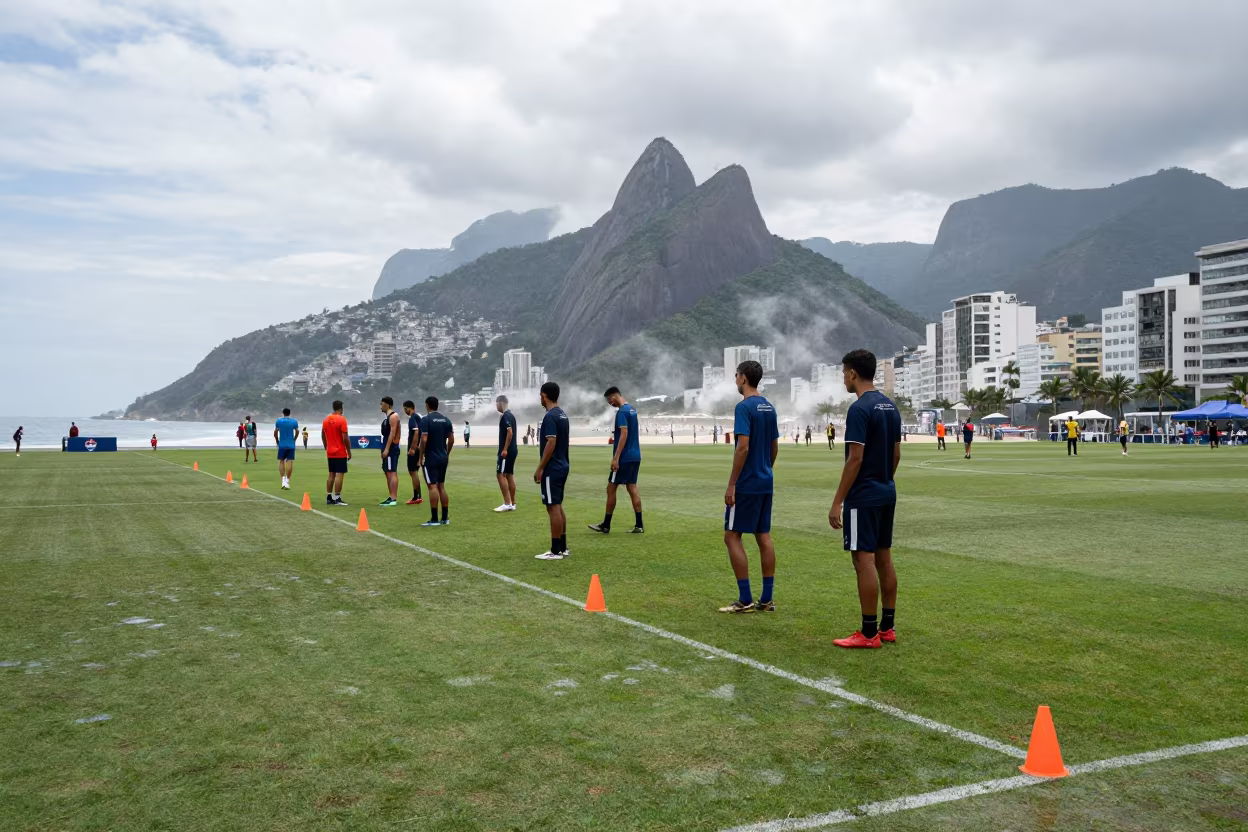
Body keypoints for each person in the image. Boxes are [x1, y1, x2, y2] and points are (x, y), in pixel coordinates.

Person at [828, 349, 901, 649]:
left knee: (863, 561)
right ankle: (887, 627)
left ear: (853, 374)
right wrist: (883, 479)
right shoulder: (890, 406)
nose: (843, 378)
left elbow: (854, 459)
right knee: (884, 558)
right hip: (886, 490)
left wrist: (838, 501)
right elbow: (896, 454)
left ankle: (868, 633)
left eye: (844, 373)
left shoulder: (859, 409)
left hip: (864, 495)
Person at [720, 360, 780, 613]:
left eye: (736, 376)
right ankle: (766, 599)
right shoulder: (769, 406)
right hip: (765, 480)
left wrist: (732, 484)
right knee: (763, 537)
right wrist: (766, 469)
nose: (735, 380)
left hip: (746, 483)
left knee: (731, 535)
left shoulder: (744, 407)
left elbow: (742, 446)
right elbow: (774, 446)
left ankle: (745, 599)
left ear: (743, 378)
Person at [589, 386, 644, 535]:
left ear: (613, 397)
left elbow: (624, 434)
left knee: (611, 488)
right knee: (632, 488)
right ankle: (639, 525)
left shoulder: (621, 412)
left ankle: (606, 525)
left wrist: (616, 458)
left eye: (609, 401)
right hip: (636, 456)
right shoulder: (632, 410)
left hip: (624, 458)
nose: (610, 404)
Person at [534, 382, 571, 560]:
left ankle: (555, 550)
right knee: (558, 505)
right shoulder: (562, 414)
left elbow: (551, 442)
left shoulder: (550, 417)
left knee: (553, 507)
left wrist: (540, 467)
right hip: (563, 464)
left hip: (553, 467)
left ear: (544, 396)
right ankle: (563, 547)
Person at [419, 397, 454, 526]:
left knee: (432, 486)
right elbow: (451, 440)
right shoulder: (446, 420)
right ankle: (445, 518)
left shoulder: (426, 420)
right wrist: (447, 453)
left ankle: (434, 519)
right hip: (443, 457)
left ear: (427, 405)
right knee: (441, 486)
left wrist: (421, 455)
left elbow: (424, 439)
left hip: (430, 458)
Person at [321, 400, 351, 505]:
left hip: (330, 451)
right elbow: (345, 437)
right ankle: (337, 497)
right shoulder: (342, 419)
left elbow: (323, 435)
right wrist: (349, 451)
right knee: (340, 474)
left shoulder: (326, 419)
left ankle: (329, 496)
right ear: (341, 409)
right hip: (340, 451)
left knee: (331, 474)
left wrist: (326, 447)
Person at [494, 395, 518, 512]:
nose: (496, 406)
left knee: (500, 474)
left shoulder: (506, 416)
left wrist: (504, 449)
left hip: (506, 451)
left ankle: (507, 503)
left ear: (501, 402)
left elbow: (510, 432)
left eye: (496, 403)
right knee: (509, 475)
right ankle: (513, 503)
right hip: (513, 449)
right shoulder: (512, 415)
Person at [378, 397, 402, 507]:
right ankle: (391, 496)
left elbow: (393, 434)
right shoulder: (386, 419)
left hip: (392, 448)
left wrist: (387, 449)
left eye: (382, 404)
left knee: (392, 471)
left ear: (388, 405)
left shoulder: (393, 416)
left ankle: (393, 497)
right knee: (387, 471)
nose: (380, 406)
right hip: (387, 447)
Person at [402, 401, 424, 506]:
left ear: (410, 408)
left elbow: (416, 432)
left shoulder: (413, 418)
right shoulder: (419, 417)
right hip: (419, 448)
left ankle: (417, 496)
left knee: (413, 472)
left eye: (406, 409)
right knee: (414, 472)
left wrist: (412, 448)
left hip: (414, 449)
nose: (405, 411)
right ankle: (417, 496)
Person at [273, 408, 298, 489]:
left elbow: (275, 432)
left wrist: (277, 440)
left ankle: (283, 480)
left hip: (282, 444)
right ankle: (287, 480)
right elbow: (297, 431)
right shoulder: (294, 421)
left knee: (281, 461)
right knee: (290, 461)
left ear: (283, 413)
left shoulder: (279, 421)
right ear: (289, 413)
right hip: (290, 444)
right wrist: (294, 439)